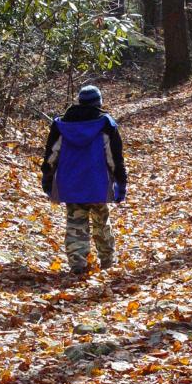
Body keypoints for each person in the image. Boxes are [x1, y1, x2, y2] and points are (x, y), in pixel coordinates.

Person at [41, 85, 127, 274]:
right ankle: (107, 261)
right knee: (101, 221)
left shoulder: (62, 125)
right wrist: (121, 184)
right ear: (99, 102)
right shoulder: (106, 124)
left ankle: (77, 264)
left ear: (79, 102)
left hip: (70, 183)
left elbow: (51, 156)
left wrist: (47, 180)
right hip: (98, 183)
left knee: (75, 223)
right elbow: (114, 158)